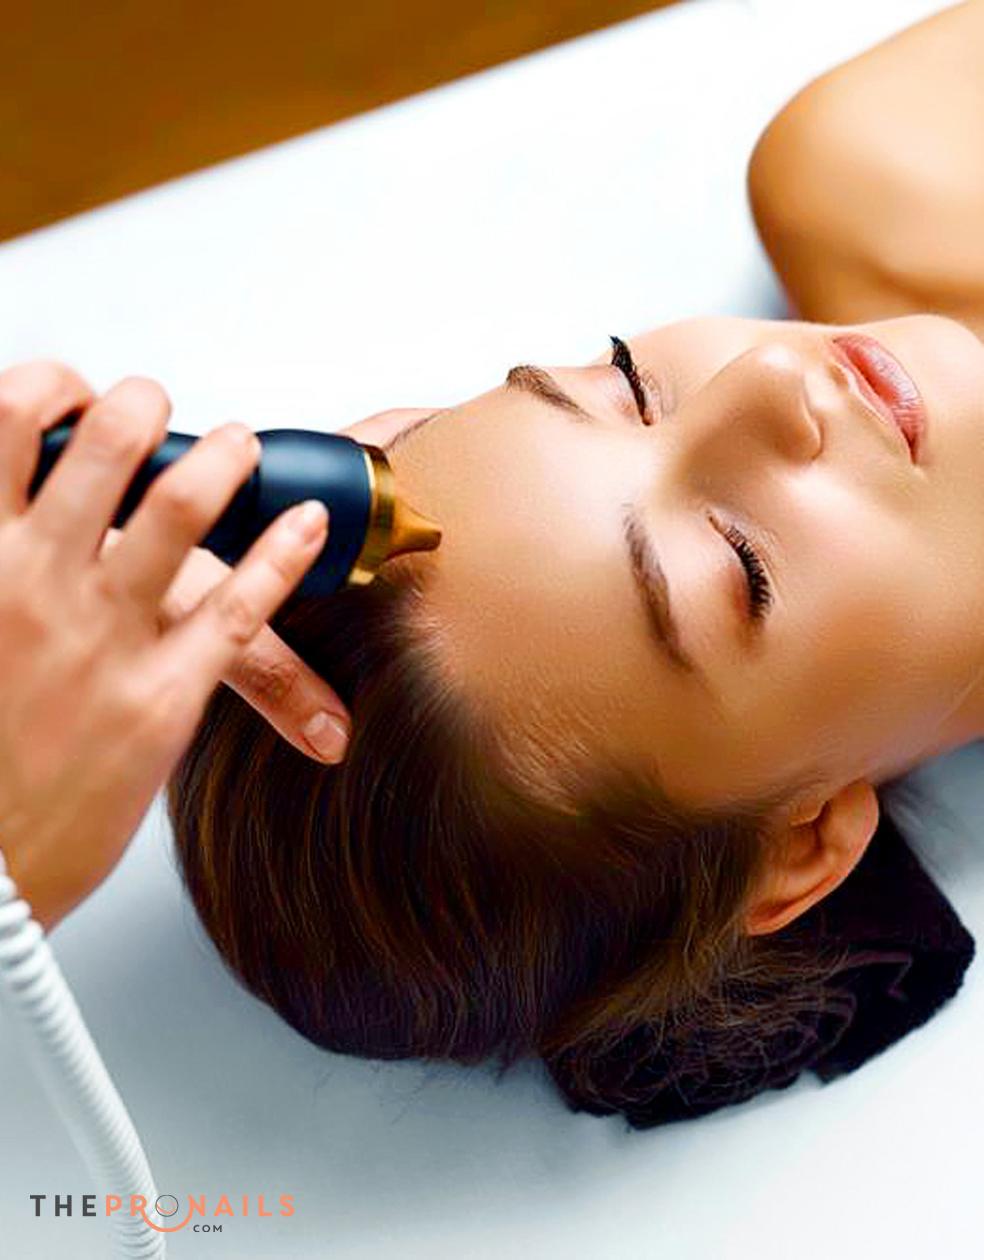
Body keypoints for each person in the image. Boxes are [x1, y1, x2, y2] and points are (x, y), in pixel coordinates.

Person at [6, 2, 984, 1114]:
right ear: (804, 845)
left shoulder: (874, 164)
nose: (768, 381)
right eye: (741, 567)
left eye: (628, 388)